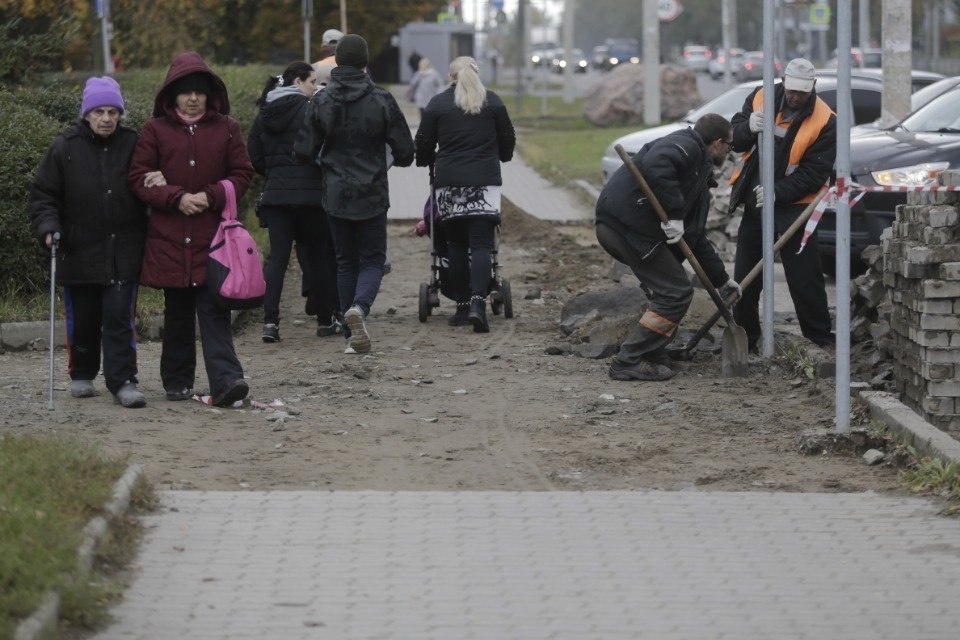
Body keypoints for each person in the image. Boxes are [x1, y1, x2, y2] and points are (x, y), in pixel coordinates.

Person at [128, 52, 255, 407]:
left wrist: (210, 196)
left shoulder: (227, 127)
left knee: (214, 310)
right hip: (169, 239)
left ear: (210, 94)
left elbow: (242, 172)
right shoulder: (155, 130)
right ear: (172, 95)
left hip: (214, 240)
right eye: (186, 92)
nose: (193, 98)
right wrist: (176, 197)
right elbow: (138, 178)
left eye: (199, 91)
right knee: (179, 312)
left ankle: (228, 380)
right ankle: (177, 381)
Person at [29, 77, 148, 408]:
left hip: (123, 250)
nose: (107, 118)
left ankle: (123, 380)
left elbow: (146, 184)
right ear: (86, 114)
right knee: (82, 319)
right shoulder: (64, 146)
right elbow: (44, 196)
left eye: (112, 111)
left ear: (120, 114)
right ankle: (81, 372)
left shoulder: (133, 143)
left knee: (118, 317)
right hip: (77, 251)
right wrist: (49, 228)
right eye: (99, 111)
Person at [595, 113, 740, 381]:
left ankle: (653, 353)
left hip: (630, 230)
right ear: (718, 143)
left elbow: (694, 237)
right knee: (675, 292)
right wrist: (674, 214)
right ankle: (629, 360)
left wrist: (722, 279)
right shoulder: (686, 145)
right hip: (625, 228)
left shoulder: (698, 176)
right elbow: (656, 163)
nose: (730, 151)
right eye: (730, 145)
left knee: (671, 289)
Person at [294, 34, 415, 354]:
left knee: (345, 262)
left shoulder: (320, 100)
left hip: (335, 193)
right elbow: (405, 151)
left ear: (337, 61)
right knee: (372, 259)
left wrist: (325, 159)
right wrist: (392, 158)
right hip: (372, 192)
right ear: (365, 62)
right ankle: (359, 308)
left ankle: (350, 333)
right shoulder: (381, 99)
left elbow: (303, 150)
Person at [728, 57, 836, 352]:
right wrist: (746, 128)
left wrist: (779, 192)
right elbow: (734, 139)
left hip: (795, 207)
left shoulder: (825, 120)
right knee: (746, 277)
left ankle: (819, 338)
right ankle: (747, 340)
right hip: (757, 201)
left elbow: (814, 174)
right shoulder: (761, 95)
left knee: (805, 277)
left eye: (802, 92)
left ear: (813, 87)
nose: (796, 97)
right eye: (792, 90)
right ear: (784, 82)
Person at [414, 56, 516, 332]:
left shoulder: (438, 103)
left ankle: (460, 308)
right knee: (482, 245)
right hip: (485, 182)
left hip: (450, 183)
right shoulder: (492, 101)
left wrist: (425, 160)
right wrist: (502, 156)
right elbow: (508, 138)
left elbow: (423, 141)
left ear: (450, 77)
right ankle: (477, 305)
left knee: (456, 245)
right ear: (477, 75)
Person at [248, 62, 340, 343]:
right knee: (317, 258)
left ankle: (270, 323)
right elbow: (326, 149)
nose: (315, 87)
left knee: (278, 258)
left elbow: (254, 153)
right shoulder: (312, 110)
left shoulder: (265, 113)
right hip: (311, 196)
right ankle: (325, 320)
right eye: (312, 81)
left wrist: (274, 173)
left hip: (276, 197)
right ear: (298, 81)